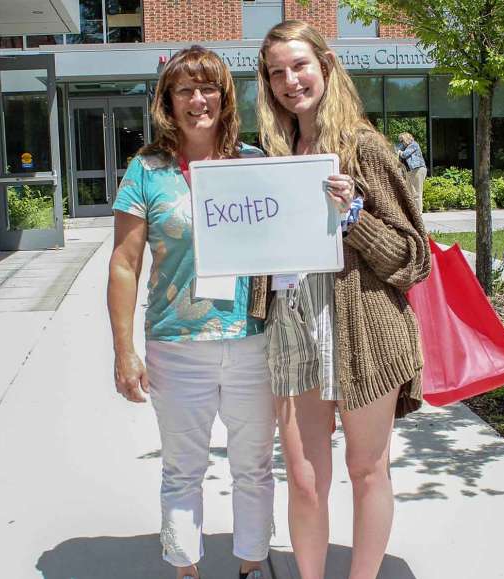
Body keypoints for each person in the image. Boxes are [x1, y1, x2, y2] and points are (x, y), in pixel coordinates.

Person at [253, 20, 431, 579]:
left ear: (325, 66)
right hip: (295, 328)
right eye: (277, 71)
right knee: (305, 477)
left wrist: (354, 220)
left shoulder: (366, 148)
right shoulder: (272, 156)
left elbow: (414, 257)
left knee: (366, 467)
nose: (290, 80)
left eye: (299, 65)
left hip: (361, 332)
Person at [107, 46, 273, 579]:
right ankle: (186, 569)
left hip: (252, 340)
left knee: (254, 468)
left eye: (208, 88)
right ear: (168, 101)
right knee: (182, 472)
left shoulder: (253, 164)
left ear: (225, 98)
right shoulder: (147, 170)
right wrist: (123, 351)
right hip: (176, 345)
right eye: (185, 89)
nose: (198, 99)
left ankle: (250, 566)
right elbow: (125, 264)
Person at [395, 132, 427, 207]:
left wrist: (399, 152)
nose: (401, 143)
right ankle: (413, 213)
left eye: (402, 140)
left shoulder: (414, 144)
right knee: (410, 193)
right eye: (400, 141)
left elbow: (405, 154)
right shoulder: (404, 147)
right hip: (410, 171)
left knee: (416, 193)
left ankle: (418, 214)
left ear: (406, 139)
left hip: (417, 170)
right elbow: (399, 162)